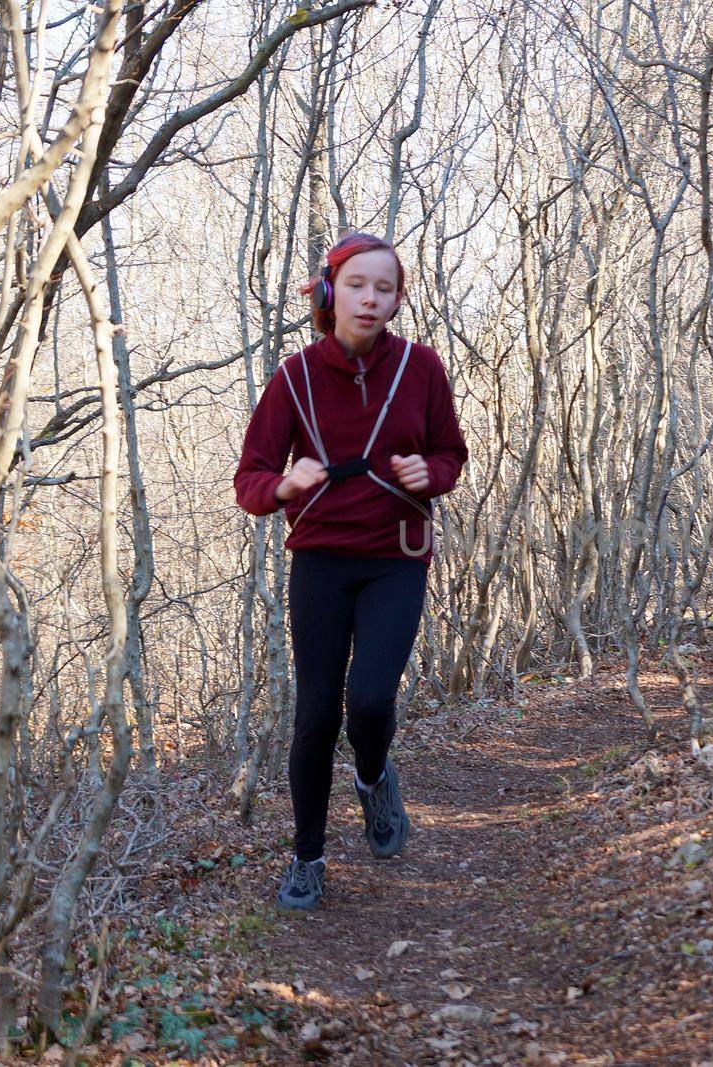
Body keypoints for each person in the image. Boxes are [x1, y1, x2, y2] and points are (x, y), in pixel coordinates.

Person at [234, 231, 468, 911]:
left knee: (368, 700)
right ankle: (307, 857)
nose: (371, 299)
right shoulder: (295, 378)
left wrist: (435, 473)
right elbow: (249, 478)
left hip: (395, 555)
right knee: (314, 715)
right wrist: (284, 485)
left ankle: (372, 777)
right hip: (320, 560)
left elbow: (451, 452)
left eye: (385, 288)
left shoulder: (421, 368)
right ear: (331, 293)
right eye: (359, 285)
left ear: (397, 300)